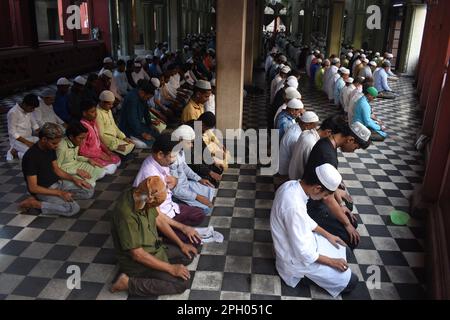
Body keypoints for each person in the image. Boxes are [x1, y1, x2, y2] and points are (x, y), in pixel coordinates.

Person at [271, 163, 358, 298]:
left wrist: (328, 235)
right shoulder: (294, 207)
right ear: (317, 188)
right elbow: (303, 253)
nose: (324, 198)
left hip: (305, 243)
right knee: (352, 282)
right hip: (295, 260)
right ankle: (305, 277)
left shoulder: (293, 185)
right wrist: (332, 262)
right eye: (325, 195)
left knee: (346, 251)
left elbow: (304, 219)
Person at [110, 176, 199, 297]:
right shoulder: (125, 214)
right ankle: (128, 283)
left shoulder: (143, 194)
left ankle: (159, 267)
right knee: (180, 284)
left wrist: (181, 244)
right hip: (138, 261)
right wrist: (171, 268)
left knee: (188, 256)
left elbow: (159, 220)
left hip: (155, 248)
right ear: (149, 200)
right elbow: (137, 255)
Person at [304, 121, 372, 250]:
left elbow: (329, 184)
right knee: (351, 240)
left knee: (351, 220)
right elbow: (327, 197)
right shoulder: (327, 155)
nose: (354, 151)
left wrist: (341, 206)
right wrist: (346, 225)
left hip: (321, 197)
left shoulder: (327, 143)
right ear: (350, 139)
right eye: (356, 147)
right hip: (314, 204)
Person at [134, 134, 205, 242]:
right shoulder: (149, 178)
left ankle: (172, 230)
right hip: (159, 217)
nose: (173, 160)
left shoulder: (159, 161)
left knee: (200, 214)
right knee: (193, 240)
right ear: (160, 154)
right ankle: (160, 234)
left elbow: (170, 181)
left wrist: (174, 181)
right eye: (172, 156)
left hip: (170, 208)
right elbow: (157, 216)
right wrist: (183, 228)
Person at [19, 123, 94, 216]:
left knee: (89, 190)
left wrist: (74, 179)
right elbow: (33, 188)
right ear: (44, 139)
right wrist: (59, 193)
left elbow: (57, 170)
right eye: (54, 143)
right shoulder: (31, 157)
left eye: (58, 142)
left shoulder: (50, 148)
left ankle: (60, 199)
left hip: (58, 184)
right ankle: (36, 204)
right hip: (43, 190)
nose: (57, 146)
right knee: (72, 209)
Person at [169, 125, 216, 215]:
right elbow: (175, 190)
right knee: (206, 210)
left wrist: (199, 179)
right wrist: (197, 197)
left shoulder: (180, 152)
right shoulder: (170, 158)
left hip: (185, 185)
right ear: (179, 141)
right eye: (189, 143)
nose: (192, 145)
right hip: (177, 193)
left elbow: (185, 168)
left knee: (211, 188)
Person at [289, 116, 340, 181]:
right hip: (297, 178)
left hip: (292, 171)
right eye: (333, 138)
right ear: (328, 132)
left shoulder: (307, 132)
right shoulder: (312, 143)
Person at [56, 122, 106, 187]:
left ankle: (90, 179)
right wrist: (76, 171)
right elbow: (57, 169)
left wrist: (88, 159)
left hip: (76, 164)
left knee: (101, 171)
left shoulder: (75, 142)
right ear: (71, 137)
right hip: (67, 171)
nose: (83, 141)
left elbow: (75, 157)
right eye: (81, 138)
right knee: (90, 184)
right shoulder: (61, 148)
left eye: (84, 138)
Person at [79, 100, 122, 175]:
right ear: (84, 113)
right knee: (111, 168)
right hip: (90, 155)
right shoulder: (82, 127)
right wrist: (99, 155)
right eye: (92, 112)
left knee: (117, 160)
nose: (95, 114)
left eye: (95, 111)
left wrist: (107, 151)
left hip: (98, 152)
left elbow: (98, 141)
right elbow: (82, 151)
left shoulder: (93, 123)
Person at [119, 80, 160, 149]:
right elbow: (132, 119)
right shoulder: (132, 99)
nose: (148, 100)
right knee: (151, 143)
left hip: (138, 125)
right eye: (148, 98)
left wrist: (150, 124)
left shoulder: (143, 97)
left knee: (156, 134)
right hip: (128, 128)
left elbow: (146, 112)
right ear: (142, 92)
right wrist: (142, 133)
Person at [278, 112, 319, 176]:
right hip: (285, 169)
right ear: (307, 125)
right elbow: (296, 157)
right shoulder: (295, 136)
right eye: (313, 128)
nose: (314, 130)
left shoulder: (296, 125)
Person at [96, 90, 135, 156]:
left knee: (132, 145)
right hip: (108, 142)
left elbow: (114, 126)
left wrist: (124, 137)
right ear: (102, 102)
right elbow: (101, 135)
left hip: (114, 139)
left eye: (112, 104)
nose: (111, 106)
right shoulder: (97, 113)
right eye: (109, 104)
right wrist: (115, 146)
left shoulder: (108, 110)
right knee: (126, 152)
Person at [7, 94, 40, 161]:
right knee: (35, 155)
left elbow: (34, 124)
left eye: (34, 108)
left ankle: (20, 151)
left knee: (44, 146)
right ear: (24, 104)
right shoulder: (13, 112)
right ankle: (15, 153)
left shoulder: (28, 110)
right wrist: (27, 142)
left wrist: (43, 135)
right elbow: (12, 132)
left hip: (29, 138)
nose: (32, 110)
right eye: (31, 108)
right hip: (17, 141)